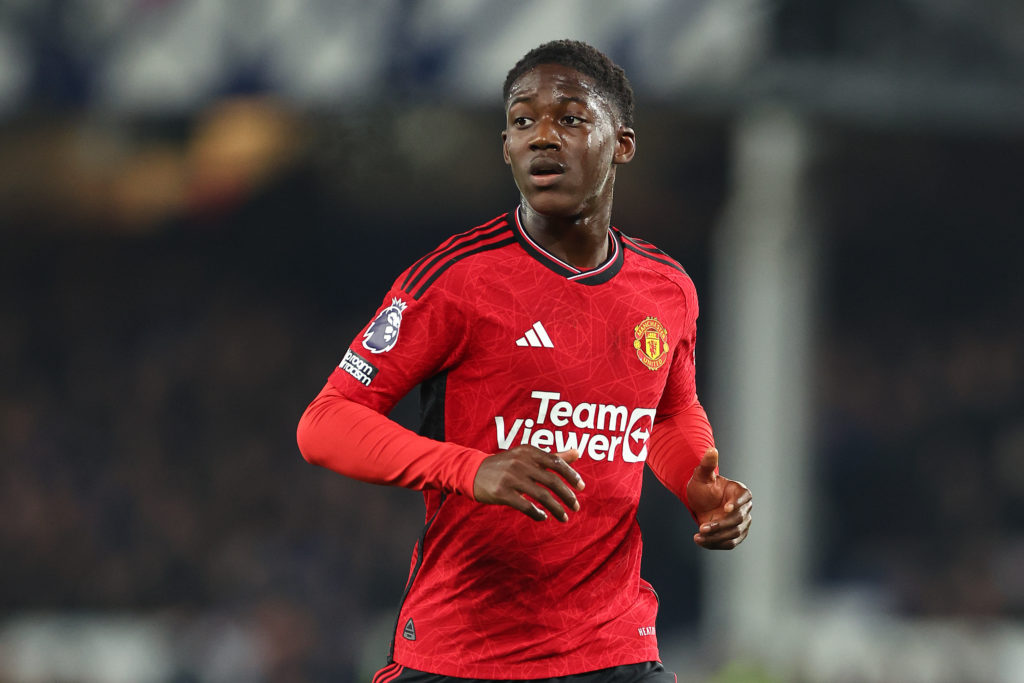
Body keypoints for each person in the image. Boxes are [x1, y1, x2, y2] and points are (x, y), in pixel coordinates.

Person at [297, 39, 752, 683]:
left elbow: (668, 412)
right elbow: (325, 424)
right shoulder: (457, 281)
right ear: (506, 148)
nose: (542, 136)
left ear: (621, 144)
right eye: (522, 121)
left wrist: (697, 485)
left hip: (613, 647)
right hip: (465, 652)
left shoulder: (666, 288)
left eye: (569, 118)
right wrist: (470, 469)